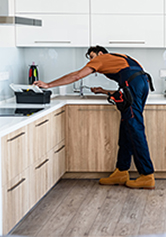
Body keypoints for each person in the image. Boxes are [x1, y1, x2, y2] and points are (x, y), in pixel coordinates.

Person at [33, 45, 155, 189]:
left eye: (92, 56)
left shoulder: (102, 59)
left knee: (134, 129)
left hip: (134, 85)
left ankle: (147, 175)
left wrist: (48, 84)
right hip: (142, 84)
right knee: (127, 128)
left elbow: (76, 75)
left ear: (100, 53)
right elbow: (128, 87)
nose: (91, 61)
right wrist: (103, 91)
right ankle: (121, 172)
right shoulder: (120, 58)